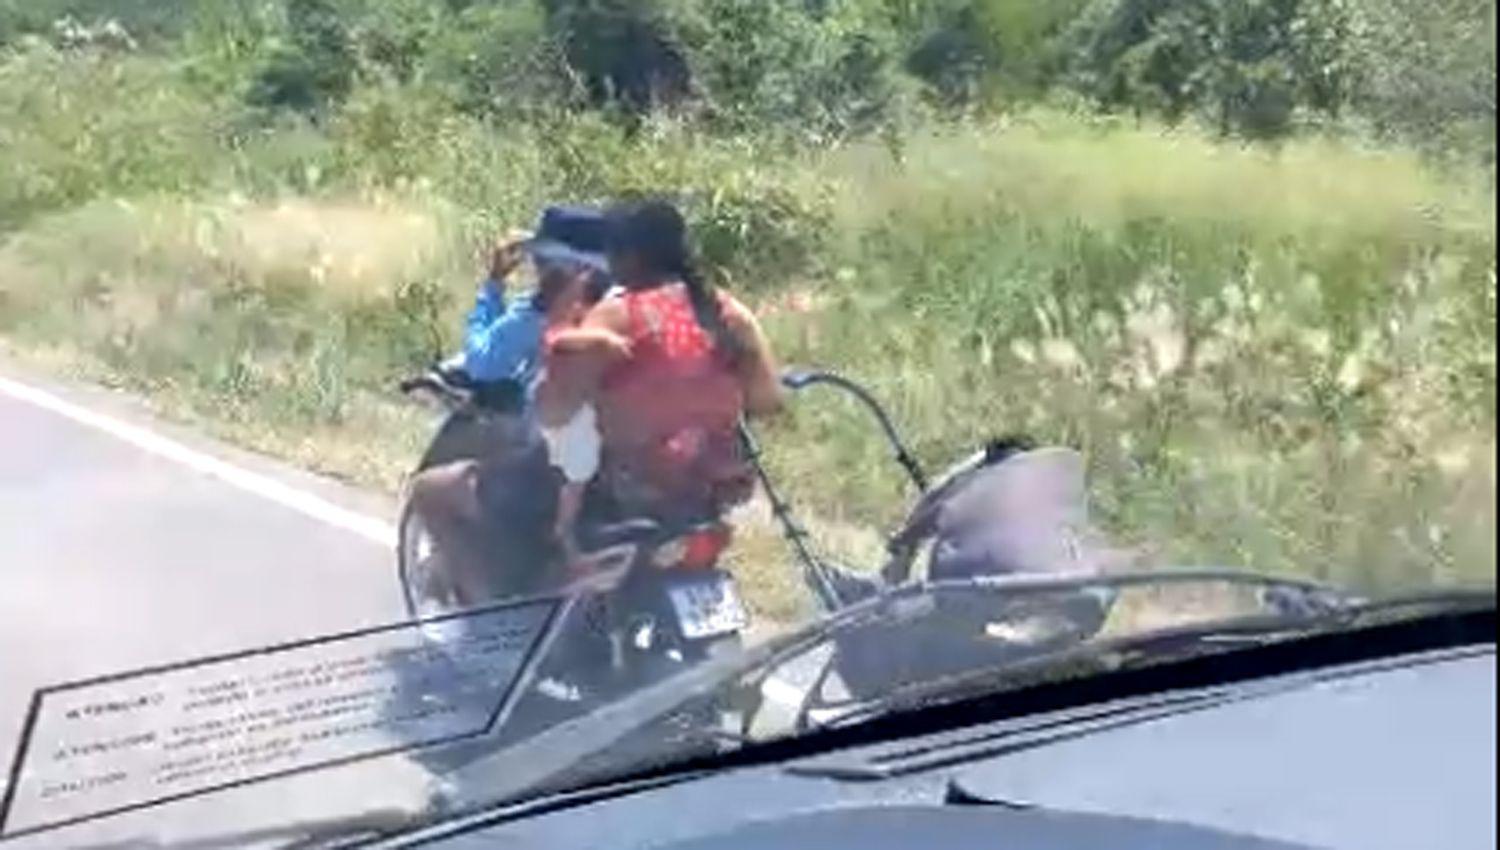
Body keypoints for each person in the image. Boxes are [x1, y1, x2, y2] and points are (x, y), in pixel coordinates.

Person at [408, 206, 613, 609]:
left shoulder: (544, 309)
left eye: (541, 257)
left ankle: (489, 619)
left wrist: (494, 285)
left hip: (555, 457)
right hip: (622, 458)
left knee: (431, 491)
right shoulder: (632, 307)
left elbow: (484, 361)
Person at [536, 199, 783, 529]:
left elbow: (555, 413)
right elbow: (768, 401)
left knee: (451, 487)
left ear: (629, 256)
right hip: (719, 488)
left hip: (636, 491)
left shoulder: (617, 316)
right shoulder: (730, 312)